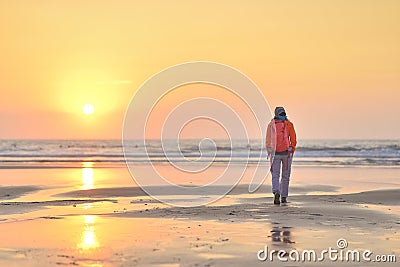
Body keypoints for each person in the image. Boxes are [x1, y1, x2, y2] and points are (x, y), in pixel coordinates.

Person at [266, 107, 297, 204]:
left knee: (275, 174)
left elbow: (268, 139)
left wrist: (269, 150)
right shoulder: (289, 124)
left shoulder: (271, 125)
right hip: (286, 154)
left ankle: (276, 191)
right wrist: (292, 149)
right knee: (285, 175)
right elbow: (293, 139)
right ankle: (284, 196)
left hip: (275, 153)